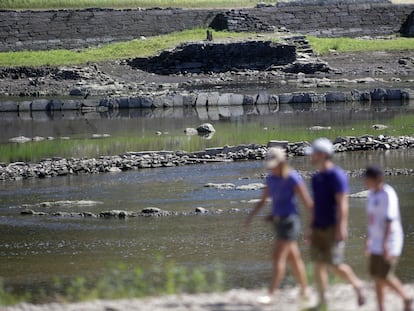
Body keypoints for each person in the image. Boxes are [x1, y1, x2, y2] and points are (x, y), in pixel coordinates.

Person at [245, 147, 313, 304]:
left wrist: (311, 227)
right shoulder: (270, 178)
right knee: (294, 258)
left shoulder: (292, 178)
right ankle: (305, 290)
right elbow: (263, 201)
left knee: (278, 257)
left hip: (290, 222)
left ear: (282, 162)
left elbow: (308, 203)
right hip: (277, 222)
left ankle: (271, 293)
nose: (272, 167)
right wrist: (250, 217)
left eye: (274, 164)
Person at [306, 138, 365, 309]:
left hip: (332, 227)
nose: (311, 157)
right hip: (317, 227)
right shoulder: (316, 178)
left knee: (335, 265)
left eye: (314, 154)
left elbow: (342, 203)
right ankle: (323, 301)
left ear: (323, 155)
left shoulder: (337, 176)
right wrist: (310, 228)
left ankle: (357, 286)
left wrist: (341, 227)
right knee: (318, 264)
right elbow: (315, 205)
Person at [364, 166, 413, 311]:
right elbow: (371, 220)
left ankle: (406, 298)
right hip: (375, 242)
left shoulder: (388, 194)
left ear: (377, 179)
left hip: (390, 241)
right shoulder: (371, 195)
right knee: (376, 277)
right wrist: (368, 240)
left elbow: (389, 221)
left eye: (368, 178)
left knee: (384, 275)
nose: (365, 181)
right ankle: (381, 307)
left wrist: (386, 244)